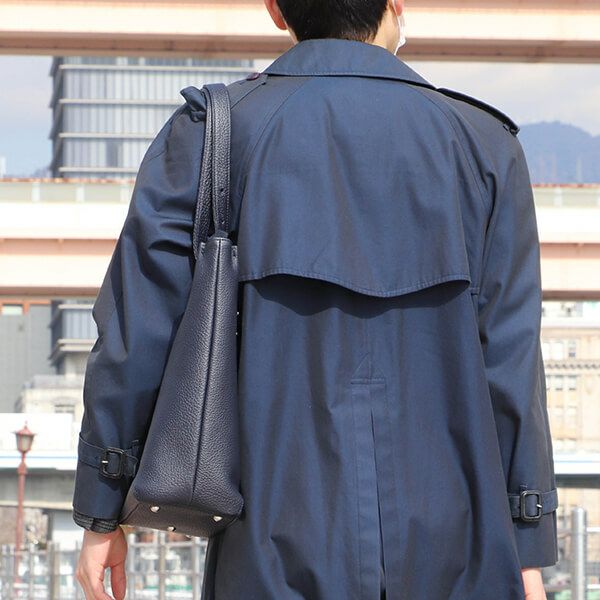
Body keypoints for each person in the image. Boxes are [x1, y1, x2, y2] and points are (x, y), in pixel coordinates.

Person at [73, 0, 559, 599]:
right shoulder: (485, 146)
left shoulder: (211, 133)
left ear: (276, 10)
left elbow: (136, 334)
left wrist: (102, 507)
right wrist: (528, 542)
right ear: (394, 5)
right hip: (459, 547)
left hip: (268, 542)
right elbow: (512, 364)